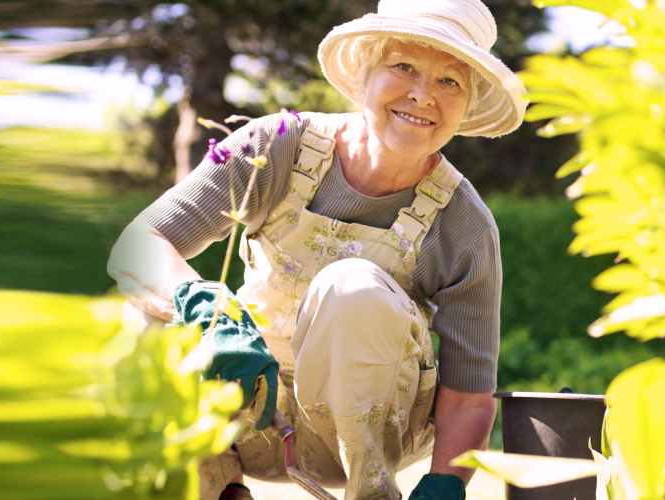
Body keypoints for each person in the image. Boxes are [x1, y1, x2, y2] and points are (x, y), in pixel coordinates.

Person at [107, 0, 526, 498]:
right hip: (247, 412)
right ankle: (216, 490)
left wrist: (445, 482)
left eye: (449, 82)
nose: (422, 95)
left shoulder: (464, 223)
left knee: (351, 287)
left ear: (467, 104)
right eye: (404, 66)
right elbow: (138, 245)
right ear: (365, 74)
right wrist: (205, 310)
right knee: (144, 319)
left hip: (370, 440)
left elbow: (469, 398)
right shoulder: (278, 146)